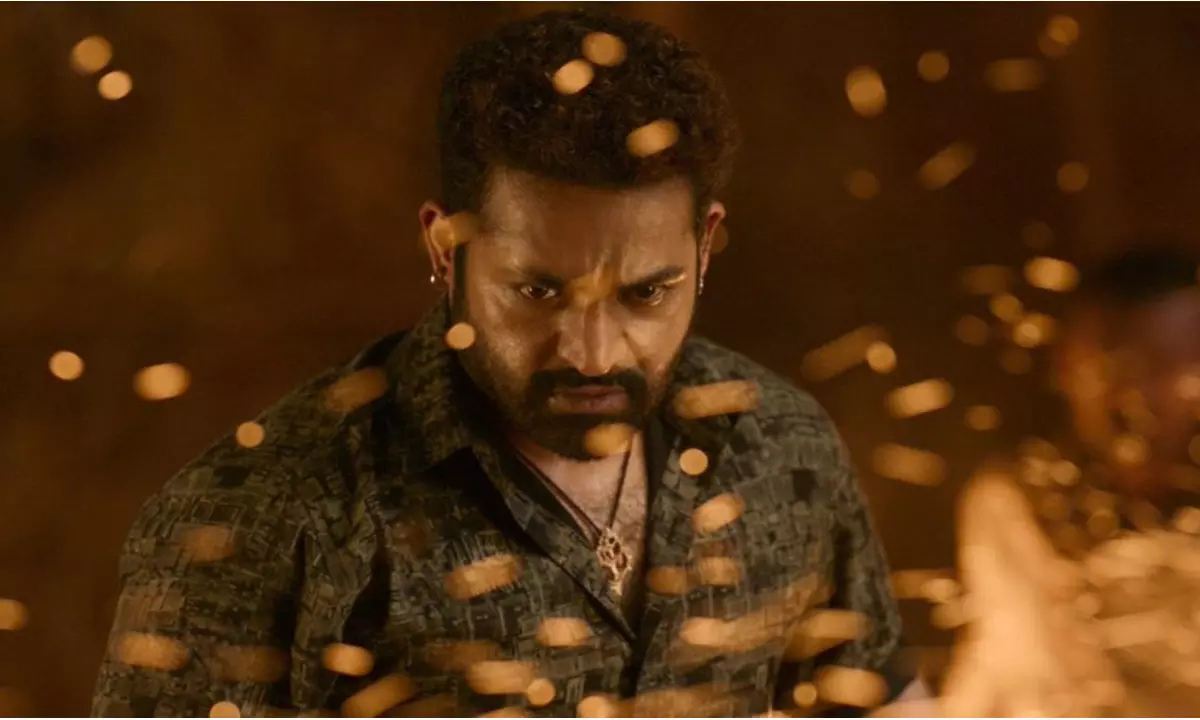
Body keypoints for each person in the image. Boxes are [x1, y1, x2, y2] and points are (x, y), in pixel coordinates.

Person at [92, 10, 920, 717]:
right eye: (537, 291)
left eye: (646, 294)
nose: (592, 352)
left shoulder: (784, 448)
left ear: (705, 248)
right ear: (444, 246)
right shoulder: (259, 518)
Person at [943, 243, 1200, 717]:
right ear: (1065, 367)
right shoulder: (1020, 499)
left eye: (1162, 362)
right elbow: (1044, 678)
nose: (1133, 394)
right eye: (1112, 365)